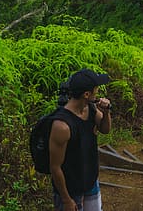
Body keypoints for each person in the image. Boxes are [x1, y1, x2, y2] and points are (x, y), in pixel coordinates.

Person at [49, 68, 112, 211]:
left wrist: (106, 112)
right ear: (86, 94)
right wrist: (66, 200)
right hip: (70, 190)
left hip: (90, 181)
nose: (98, 92)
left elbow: (105, 129)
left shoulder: (90, 109)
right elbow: (55, 167)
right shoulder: (62, 126)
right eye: (96, 89)